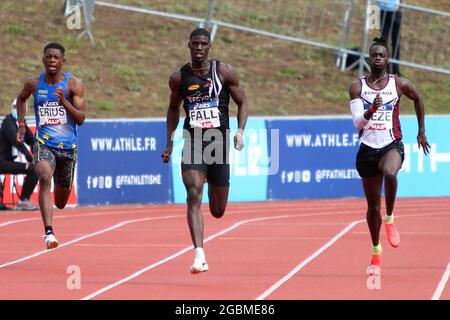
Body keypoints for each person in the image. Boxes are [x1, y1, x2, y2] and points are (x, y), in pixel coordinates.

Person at [162, 28, 248, 274]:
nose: (199, 47)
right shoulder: (178, 78)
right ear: (188, 45)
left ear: (209, 46)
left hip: (218, 141)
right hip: (194, 140)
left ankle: (212, 181)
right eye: (195, 43)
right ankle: (199, 254)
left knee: (218, 211)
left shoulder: (224, 72)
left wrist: (240, 131)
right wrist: (169, 142)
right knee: (193, 192)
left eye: (203, 44)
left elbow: (242, 102)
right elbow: (172, 109)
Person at [349, 37, 430, 275]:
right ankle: (376, 252)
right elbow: (357, 122)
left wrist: (421, 131)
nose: (378, 58)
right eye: (374, 54)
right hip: (366, 150)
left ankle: (391, 217)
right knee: (372, 207)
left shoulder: (399, 84)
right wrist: (371, 109)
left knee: (390, 172)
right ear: (368, 59)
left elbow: (419, 98)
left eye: (382, 55)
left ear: (388, 59)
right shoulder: (357, 87)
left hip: (390, 144)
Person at [16, 42, 86, 249]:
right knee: (44, 177)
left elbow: (81, 118)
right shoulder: (34, 84)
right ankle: (49, 233)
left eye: (56, 57)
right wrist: (21, 124)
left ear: (63, 61)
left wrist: (64, 103)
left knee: (62, 202)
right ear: (43, 59)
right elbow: (21, 100)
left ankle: (57, 186)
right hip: (43, 143)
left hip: (67, 148)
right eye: (49, 57)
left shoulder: (73, 84)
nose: (52, 61)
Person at [0, 99, 39, 210]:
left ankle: (24, 200)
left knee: (35, 169)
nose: (16, 110)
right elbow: (16, 141)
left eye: (19, 108)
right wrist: (29, 156)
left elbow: (31, 140)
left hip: (8, 162)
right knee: (32, 167)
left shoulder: (21, 124)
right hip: (2, 162)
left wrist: (38, 153)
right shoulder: (8, 122)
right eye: (14, 107)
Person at [377, 0, 402, 76]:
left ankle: (396, 70)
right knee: (383, 42)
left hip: (395, 11)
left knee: (396, 42)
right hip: (382, 10)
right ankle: (385, 68)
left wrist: (401, 6)